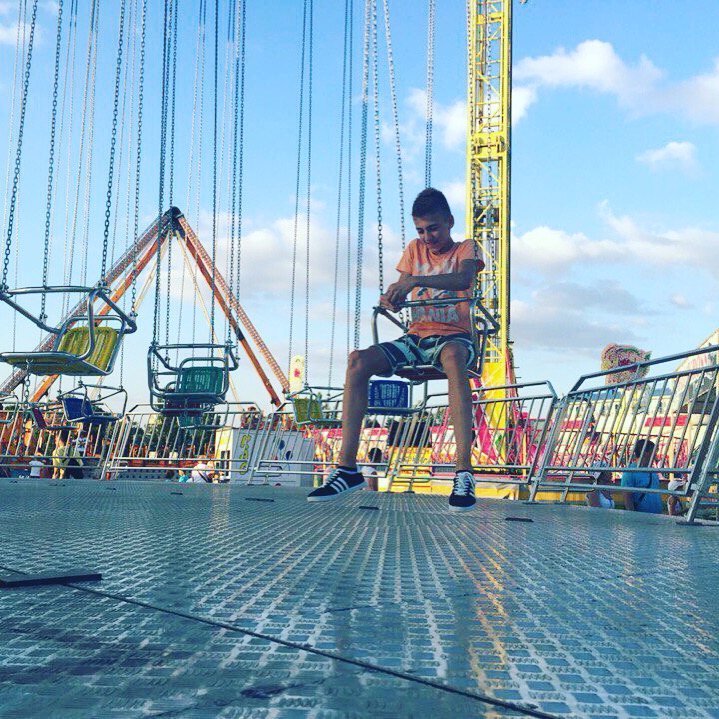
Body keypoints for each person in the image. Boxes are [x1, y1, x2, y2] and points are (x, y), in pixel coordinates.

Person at [307, 188, 484, 510]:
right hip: (415, 339)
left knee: (454, 358)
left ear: (449, 222)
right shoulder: (414, 249)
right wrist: (394, 296)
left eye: (434, 229)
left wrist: (416, 281)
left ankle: (463, 471)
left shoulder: (466, 248)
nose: (427, 237)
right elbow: (403, 284)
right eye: (421, 230)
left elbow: (464, 279)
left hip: (453, 337)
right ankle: (347, 468)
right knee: (357, 361)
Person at [621, 439, 663, 514]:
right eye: (654, 451)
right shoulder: (630, 472)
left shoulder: (652, 471)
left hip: (656, 517)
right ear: (645, 452)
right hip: (641, 517)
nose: (655, 454)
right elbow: (627, 497)